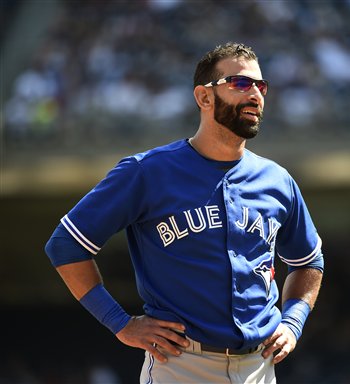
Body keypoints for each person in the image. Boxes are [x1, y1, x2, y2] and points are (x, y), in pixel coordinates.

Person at [45, 42, 324, 384]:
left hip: (259, 368)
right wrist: (119, 322)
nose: (255, 94)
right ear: (204, 98)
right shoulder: (147, 171)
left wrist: (293, 321)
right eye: (240, 83)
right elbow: (65, 246)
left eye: (260, 86)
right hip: (181, 364)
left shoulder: (277, 180)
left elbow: (309, 261)